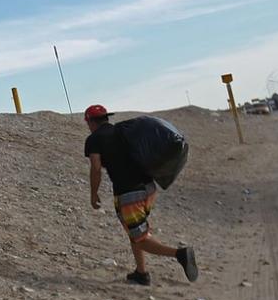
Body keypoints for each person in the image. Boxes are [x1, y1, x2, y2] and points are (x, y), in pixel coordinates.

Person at [83, 104, 198, 286]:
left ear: (90, 121)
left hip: (129, 193)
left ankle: (180, 254)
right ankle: (141, 273)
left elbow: (96, 168)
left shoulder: (94, 140)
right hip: (148, 188)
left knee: (140, 238)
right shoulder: (123, 131)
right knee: (134, 231)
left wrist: (93, 194)